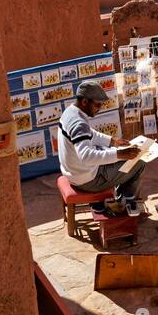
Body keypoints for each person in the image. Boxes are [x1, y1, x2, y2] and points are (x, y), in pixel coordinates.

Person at [58, 80, 145, 217]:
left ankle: (101, 202)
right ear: (85, 102)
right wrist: (120, 154)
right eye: (97, 105)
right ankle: (126, 203)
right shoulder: (79, 123)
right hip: (88, 181)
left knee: (109, 152)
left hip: (74, 173)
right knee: (139, 162)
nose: (100, 108)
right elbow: (87, 157)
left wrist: (112, 141)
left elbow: (90, 134)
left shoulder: (70, 112)